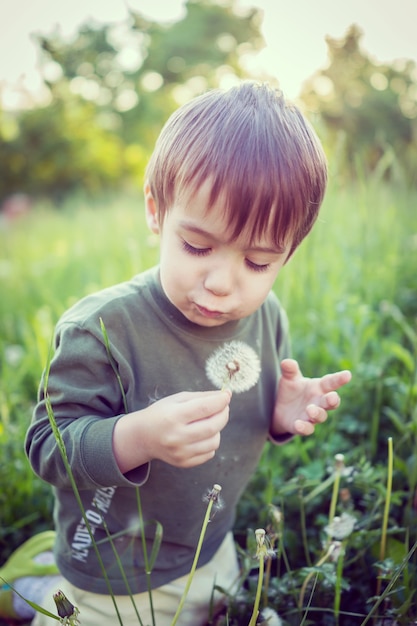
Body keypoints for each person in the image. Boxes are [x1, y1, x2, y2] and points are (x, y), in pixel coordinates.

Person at [18, 81, 351, 625]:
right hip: (114, 570)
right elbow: (47, 448)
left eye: (259, 261)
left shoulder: (268, 318)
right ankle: (31, 591)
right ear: (156, 211)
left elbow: (245, 418)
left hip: (209, 545)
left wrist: (280, 416)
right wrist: (138, 436)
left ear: (290, 251)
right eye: (198, 246)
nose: (222, 282)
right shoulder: (101, 328)